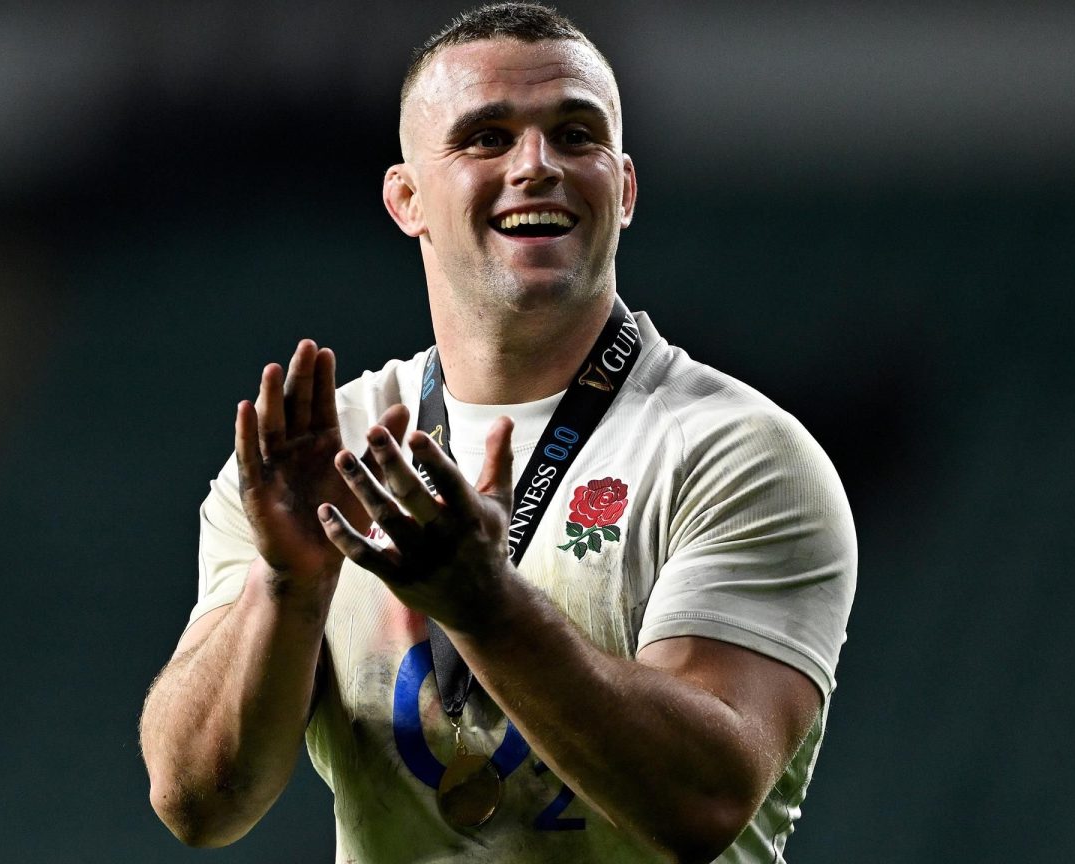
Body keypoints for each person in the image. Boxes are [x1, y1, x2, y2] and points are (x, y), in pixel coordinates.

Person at [138, 4, 856, 862]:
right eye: (487, 137)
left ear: (624, 190)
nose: (537, 164)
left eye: (575, 134)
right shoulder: (328, 453)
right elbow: (199, 804)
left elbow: (701, 803)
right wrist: (285, 582)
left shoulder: (737, 455)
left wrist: (487, 608)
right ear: (407, 199)